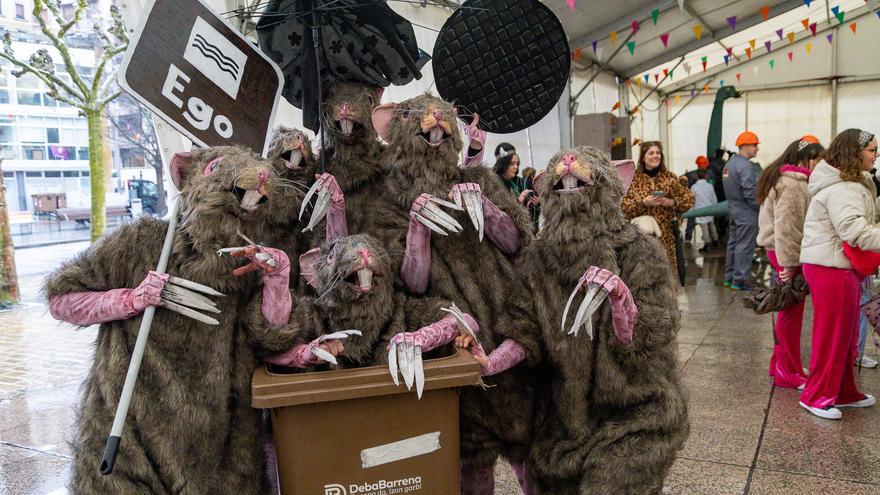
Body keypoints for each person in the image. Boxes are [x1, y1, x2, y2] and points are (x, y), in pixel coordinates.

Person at [798, 128, 879, 420]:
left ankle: (843, 391)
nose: (876, 154)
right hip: (830, 268)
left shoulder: (850, 184)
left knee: (843, 336)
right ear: (854, 153)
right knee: (830, 335)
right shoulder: (842, 188)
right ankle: (816, 395)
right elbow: (855, 231)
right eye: (872, 149)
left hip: (838, 267)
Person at [756, 135, 824, 389]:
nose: (819, 165)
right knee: (790, 312)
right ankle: (789, 371)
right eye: (817, 160)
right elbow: (788, 228)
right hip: (786, 252)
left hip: (780, 251)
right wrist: (789, 265)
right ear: (805, 159)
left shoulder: (784, 177)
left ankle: (780, 364)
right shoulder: (794, 183)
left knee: (787, 308)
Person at [622, 141, 695, 282]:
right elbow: (624, 207)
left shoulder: (670, 178)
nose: (656, 156)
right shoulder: (633, 180)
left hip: (667, 239)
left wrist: (672, 202)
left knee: (668, 280)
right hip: (641, 241)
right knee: (644, 279)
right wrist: (643, 203)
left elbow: (689, 199)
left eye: (658, 153)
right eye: (651, 153)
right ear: (643, 157)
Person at [723, 131, 761, 290]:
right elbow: (750, 192)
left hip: (733, 210)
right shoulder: (745, 166)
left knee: (733, 244)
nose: (757, 149)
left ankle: (730, 278)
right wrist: (759, 207)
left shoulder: (729, 164)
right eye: (755, 145)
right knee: (745, 246)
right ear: (745, 146)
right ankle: (740, 280)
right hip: (746, 212)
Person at [690, 168, 719, 252]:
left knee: (704, 227)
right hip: (710, 209)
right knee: (712, 225)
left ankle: (707, 244)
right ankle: (716, 240)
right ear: (706, 176)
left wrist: (692, 210)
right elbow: (714, 198)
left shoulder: (694, 187)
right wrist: (715, 207)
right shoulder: (710, 186)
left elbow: (692, 200)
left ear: (696, 176)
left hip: (700, 210)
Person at [684, 155, 710, 242]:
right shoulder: (709, 174)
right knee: (709, 222)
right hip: (707, 203)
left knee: (691, 218)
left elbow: (687, 188)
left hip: (695, 203)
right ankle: (711, 238)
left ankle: (688, 237)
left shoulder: (691, 175)